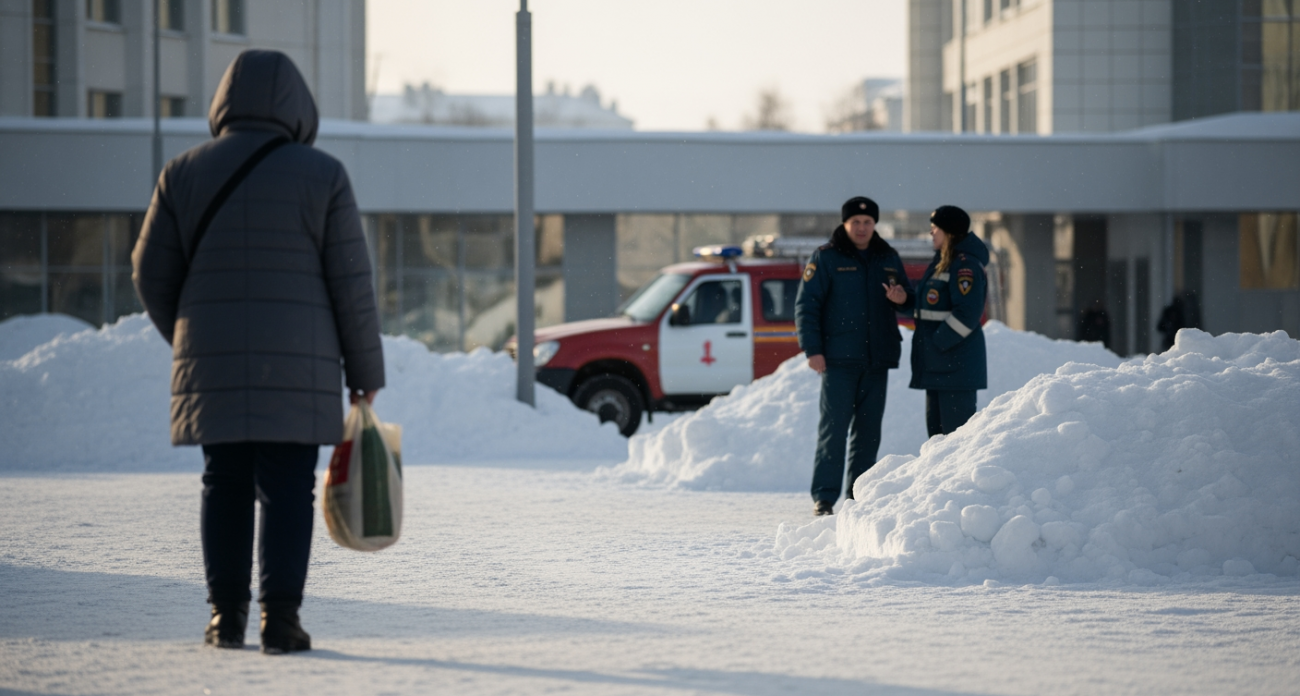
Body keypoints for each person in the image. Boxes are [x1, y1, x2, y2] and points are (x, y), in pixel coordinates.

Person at [132, 50, 385, 654]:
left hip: (214, 361)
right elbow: (351, 284)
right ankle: (281, 619)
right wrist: (364, 372)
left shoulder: (182, 172)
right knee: (289, 486)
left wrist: (192, 337)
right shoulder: (323, 175)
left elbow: (148, 270)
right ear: (299, 106)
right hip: (298, 360)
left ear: (224, 103)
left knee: (223, 481)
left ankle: (225, 617)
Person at [795, 196, 914, 516]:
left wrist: (902, 298)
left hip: (877, 360)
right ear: (845, 224)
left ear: (875, 224)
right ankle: (825, 497)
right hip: (838, 360)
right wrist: (813, 349)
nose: (862, 228)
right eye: (856, 222)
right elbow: (807, 306)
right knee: (833, 430)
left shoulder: (887, 257)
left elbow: (907, 299)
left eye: (868, 222)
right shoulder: (826, 257)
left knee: (868, 432)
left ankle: (857, 496)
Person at [909, 206, 988, 438]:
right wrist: (904, 299)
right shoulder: (942, 262)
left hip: (955, 370)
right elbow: (932, 306)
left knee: (955, 444)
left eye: (935, 229)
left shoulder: (965, 266)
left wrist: (937, 343)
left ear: (950, 232)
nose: (931, 234)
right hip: (939, 367)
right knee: (936, 445)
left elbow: (968, 313)